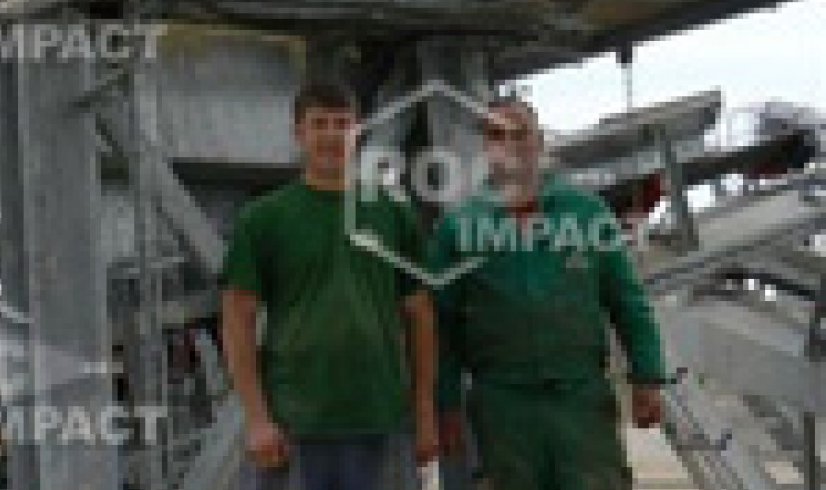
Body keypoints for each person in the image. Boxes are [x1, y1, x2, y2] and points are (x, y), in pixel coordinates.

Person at [430, 96, 668, 490]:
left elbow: (628, 301)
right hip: (503, 408)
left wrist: (647, 377)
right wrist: (447, 405)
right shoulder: (459, 227)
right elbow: (445, 325)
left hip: (580, 403)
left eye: (520, 135)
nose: (509, 145)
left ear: (539, 143)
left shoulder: (586, 213)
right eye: (496, 135)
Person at [221, 79, 438, 490]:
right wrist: (256, 420)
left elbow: (421, 314)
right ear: (298, 133)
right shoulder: (264, 218)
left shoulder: (393, 213)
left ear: (358, 130)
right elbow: (237, 318)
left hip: (380, 418)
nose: (332, 135)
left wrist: (424, 413)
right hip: (296, 424)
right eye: (319, 124)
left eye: (342, 124)